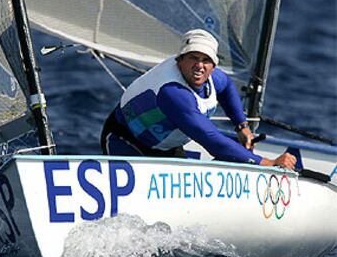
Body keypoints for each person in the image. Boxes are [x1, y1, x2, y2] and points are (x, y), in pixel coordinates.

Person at [100, 29, 296, 169]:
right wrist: (267, 163)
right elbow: (211, 140)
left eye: (206, 60)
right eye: (193, 58)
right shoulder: (173, 93)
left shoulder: (214, 78)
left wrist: (241, 126)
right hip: (125, 140)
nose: (199, 66)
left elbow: (227, 87)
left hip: (166, 146)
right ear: (180, 60)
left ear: (213, 65)